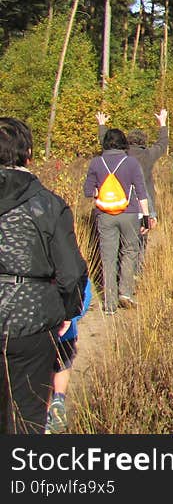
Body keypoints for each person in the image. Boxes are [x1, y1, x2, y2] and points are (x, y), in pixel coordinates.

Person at [1, 117, 88, 434]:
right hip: (33, 322)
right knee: (27, 415)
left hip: (32, 318)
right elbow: (71, 271)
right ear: (28, 155)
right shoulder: (48, 205)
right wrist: (68, 311)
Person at [84, 128, 150, 314]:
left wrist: (103, 194)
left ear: (105, 143)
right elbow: (141, 191)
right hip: (129, 213)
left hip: (104, 215)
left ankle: (110, 305)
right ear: (123, 143)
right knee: (130, 251)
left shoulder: (96, 163)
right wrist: (145, 217)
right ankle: (126, 293)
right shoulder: (131, 163)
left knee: (108, 257)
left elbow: (88, 191)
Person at [98, 109, 168, 277]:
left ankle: (118, 275)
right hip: (144, 203)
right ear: (144, 141)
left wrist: (102, 125)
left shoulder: (122, 154)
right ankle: (136, 274)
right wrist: (163, 124)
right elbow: (162, 144)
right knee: (140, 241)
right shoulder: (148, 155)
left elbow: (105, 143)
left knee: (122, 242)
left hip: (122, 203)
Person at [45, 277, 92, 434]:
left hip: (38, 329)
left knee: (41, 372)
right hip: (67, 330)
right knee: (62, 366)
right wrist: (73, 317)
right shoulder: (70, 260)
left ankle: (43, 416)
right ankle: (58, 400)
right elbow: (85, 292)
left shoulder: (32, 261)